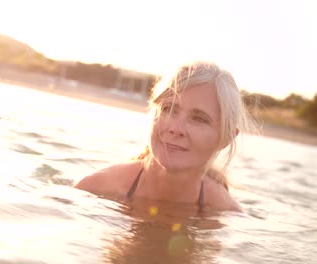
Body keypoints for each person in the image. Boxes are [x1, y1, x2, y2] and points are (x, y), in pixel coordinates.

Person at [74, 61, 258, 212]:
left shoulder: (225, 213)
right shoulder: (95, 188)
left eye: (199, 118)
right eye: (168, 109)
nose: (175, 128)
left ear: (225, 139)